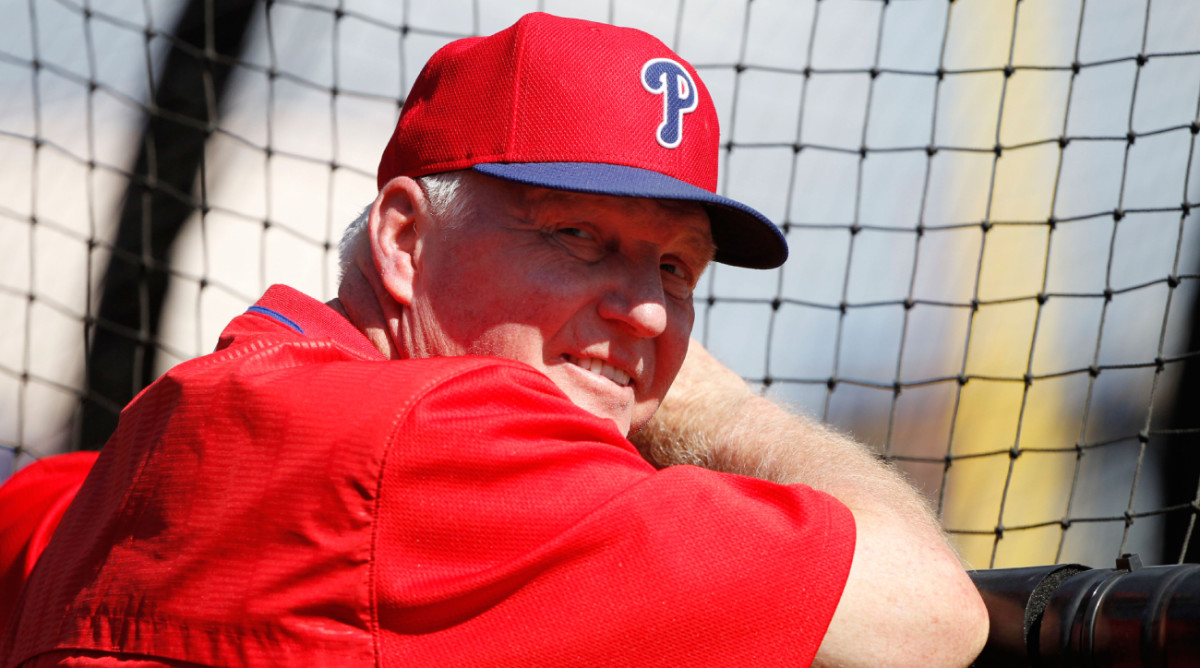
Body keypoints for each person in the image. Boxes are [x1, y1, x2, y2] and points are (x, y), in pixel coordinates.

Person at [0, 13, 987, 667]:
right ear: (402, 238)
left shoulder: (100, 480)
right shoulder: (446, 438)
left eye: (676, 269)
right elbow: (933, 608)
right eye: (577, 236)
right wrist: (707, 400)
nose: (646, 310)